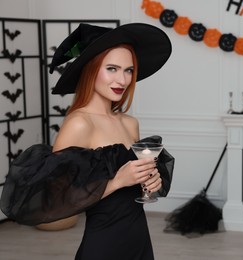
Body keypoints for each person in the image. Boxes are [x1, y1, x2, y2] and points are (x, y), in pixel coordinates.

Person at [0, 23, 174, 260]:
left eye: (128, 70)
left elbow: (135, 183)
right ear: (91, 69)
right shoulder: (79, 123)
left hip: (139, 237)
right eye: (112, 68)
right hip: (103, 243)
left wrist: (150, 180)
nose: (121, 80)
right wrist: (116, 182)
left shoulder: (130, 123)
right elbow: (54, 198)